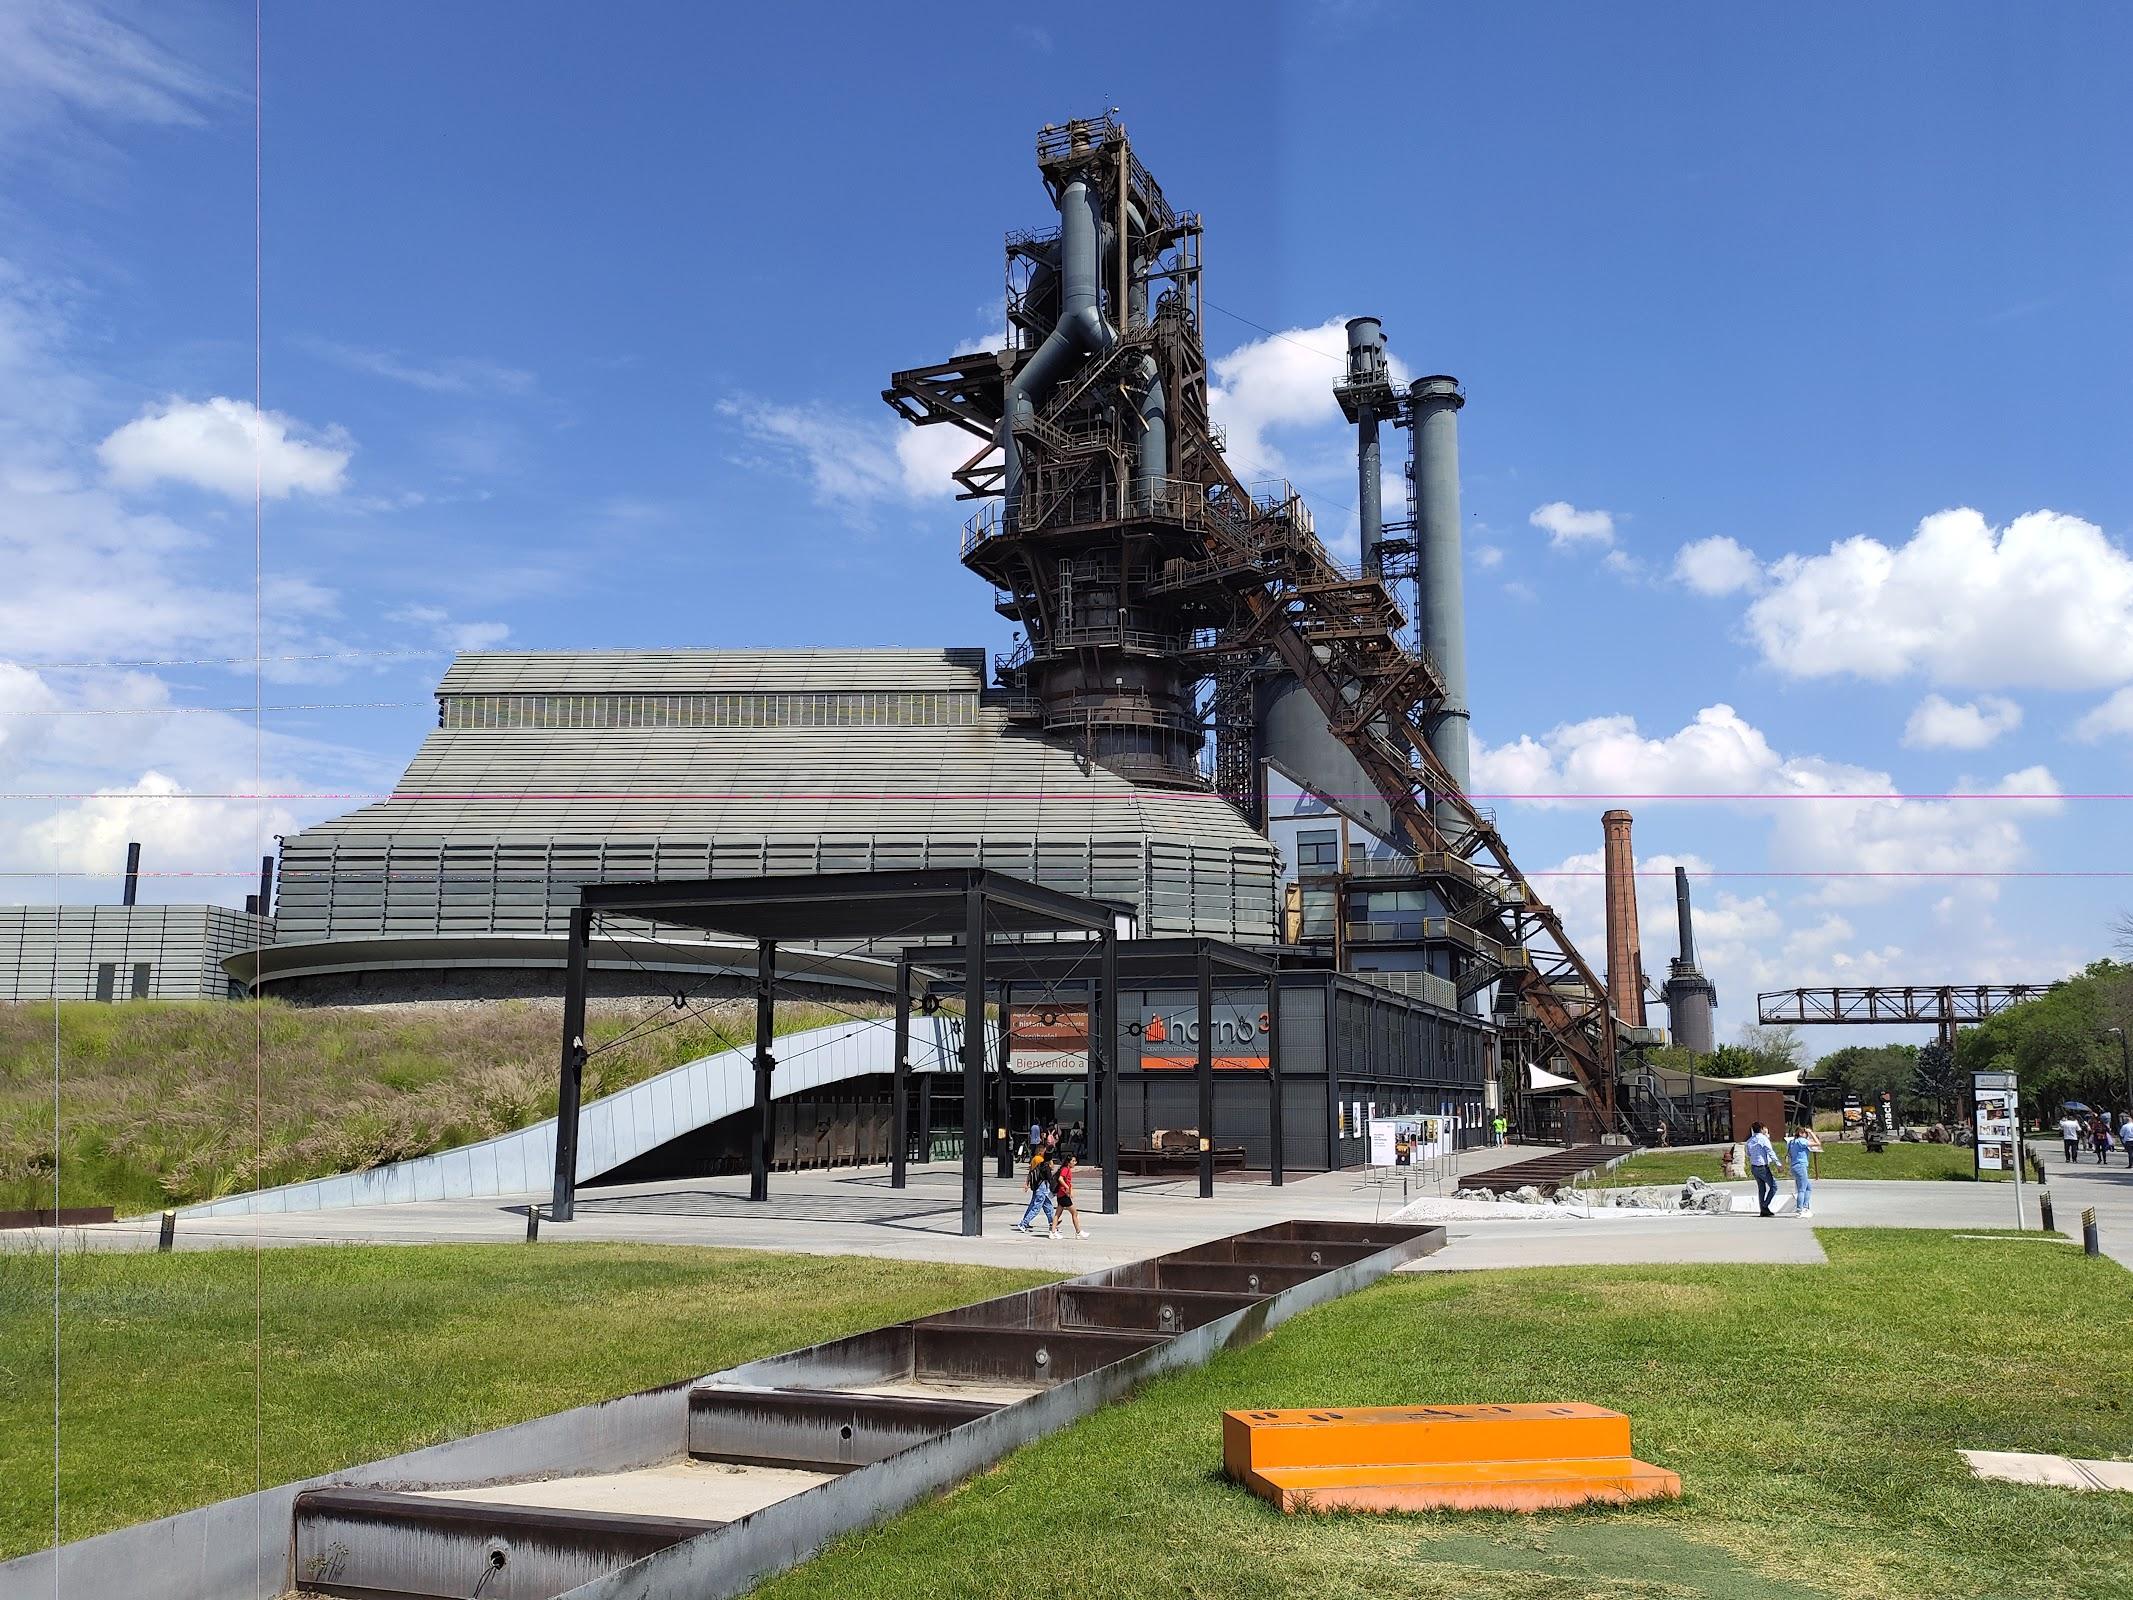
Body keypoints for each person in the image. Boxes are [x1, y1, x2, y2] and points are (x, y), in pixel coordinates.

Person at [1785, 1120, 1822, 1219]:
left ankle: (1805, 1207)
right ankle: (1800, 1210)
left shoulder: (1791, 1142)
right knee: (1802, 1189)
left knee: (1808, 1187)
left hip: (1794, 1166)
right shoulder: (1802, 1141)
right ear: (1801, 1133)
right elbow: (1817, 1143)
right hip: (1801, 1166)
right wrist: (1811, 1132)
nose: (1807, 1135)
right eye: (1805, 1133)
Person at [1013, 1146, 1054, 1234]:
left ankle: (1053, 1223)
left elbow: (1031, 1172)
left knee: (1047, 1206)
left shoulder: (1035, 1160)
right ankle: (1023, 1223)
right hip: (1042, 1186)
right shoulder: (1040, 1160)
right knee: (1036, 1207)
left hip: (1038, 1185)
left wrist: (1027, 1183)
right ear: (1041, 1152)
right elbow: (1049, 1170)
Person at [1049, 1150, 1088, 1239]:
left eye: (1075, 1161)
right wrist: (1067, 1188)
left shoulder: (1066, 1169)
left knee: (1057, 1214)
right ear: (1068, 1162)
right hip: (1063, 1194)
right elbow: (1060, 1179)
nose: (1075, 1163)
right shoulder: (1066, 1169)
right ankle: (1078, 1232)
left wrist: (1070, 1189)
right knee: (1074, 1212)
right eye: (1073, 1161)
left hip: (1061, 1194)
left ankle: (1053, 1232)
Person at [1745, 1121, 1781, 1217]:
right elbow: (1770, 1151)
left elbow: (1748, 1154)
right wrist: (1778, 1163)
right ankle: (1765, 1205)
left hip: (1754, 1167)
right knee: (1773, 1186)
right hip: (1762, 1166)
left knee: (1762, 1189)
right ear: (1761, 1129)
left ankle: (1763, 1210)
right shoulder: (1763, 1139)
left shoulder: (1749, 1141)